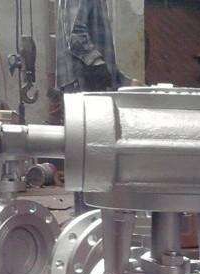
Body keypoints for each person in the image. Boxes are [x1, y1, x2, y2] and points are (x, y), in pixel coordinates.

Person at [56, 0, 128, 212]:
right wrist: (97, 65)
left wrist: (120, 79)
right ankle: (89, 218)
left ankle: (92, 216)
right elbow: (75, 36)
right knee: (90, 152)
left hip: (87, 80)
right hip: (83, 81)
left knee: (91, 154)